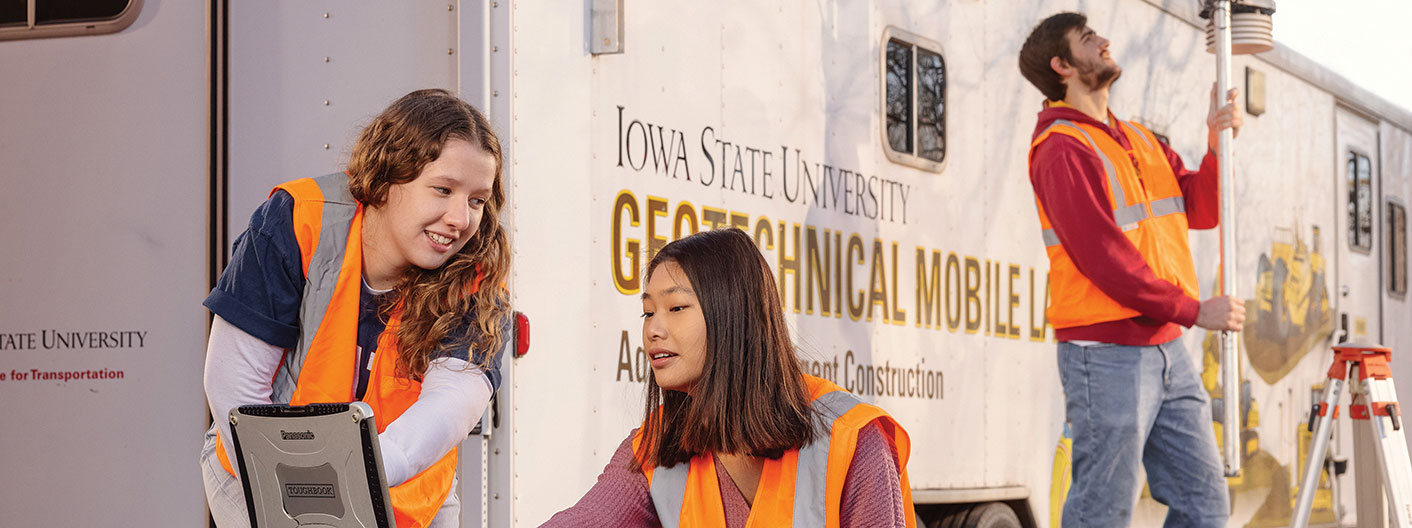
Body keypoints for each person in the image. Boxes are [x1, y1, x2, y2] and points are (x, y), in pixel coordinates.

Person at [199, 88, 511, 528]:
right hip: (264, 462)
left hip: (404, 479)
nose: (460, 219)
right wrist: (296, 486)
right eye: (442, 190)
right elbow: (233, 384)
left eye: (477, 200)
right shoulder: (299, 219)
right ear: (386, 179)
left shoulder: (477, 273)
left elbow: (452, 404)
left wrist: (355, 477)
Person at [1018, 12, 1247, 528]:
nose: (1104, 41)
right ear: (1062, 66)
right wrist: (1193, 310)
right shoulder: (1060, 150)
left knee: (1205, 506)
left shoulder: (1139, 139)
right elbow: (1107, 261)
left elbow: (1202, 207)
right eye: (1088, 39)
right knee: (1102, 513)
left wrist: (1215, 145)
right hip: (1105, 358)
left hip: (1167, 350)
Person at [541, 228, 916, 527]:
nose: (654, 329)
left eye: (676, 308)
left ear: (734, 316)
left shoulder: (853, 441)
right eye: (648, 312)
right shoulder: (655, 446)